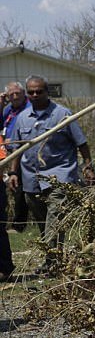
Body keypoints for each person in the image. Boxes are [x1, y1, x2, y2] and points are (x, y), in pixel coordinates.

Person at [6, 75, 94, 273]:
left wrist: (88, 166)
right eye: (31, 92)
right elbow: (16, 150)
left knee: (54, 220)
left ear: (47, 91)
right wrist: (13, 173)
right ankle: (54, 258)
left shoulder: (63, 115)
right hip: (31, 179)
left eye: (39, 91)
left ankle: (53, 264)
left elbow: (82, 143)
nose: (35, 95)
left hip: (59, 176)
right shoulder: (22, 118)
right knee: (42, 222)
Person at [2, 82, 31, 231]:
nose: (15, 96)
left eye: (17, 93)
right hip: (8, 154)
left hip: (24, 152)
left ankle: (20, 224)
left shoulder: (28, 109)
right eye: (11, 94)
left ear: (23, 93)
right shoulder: (8, 110)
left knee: (20, 188)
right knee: (13, 187)